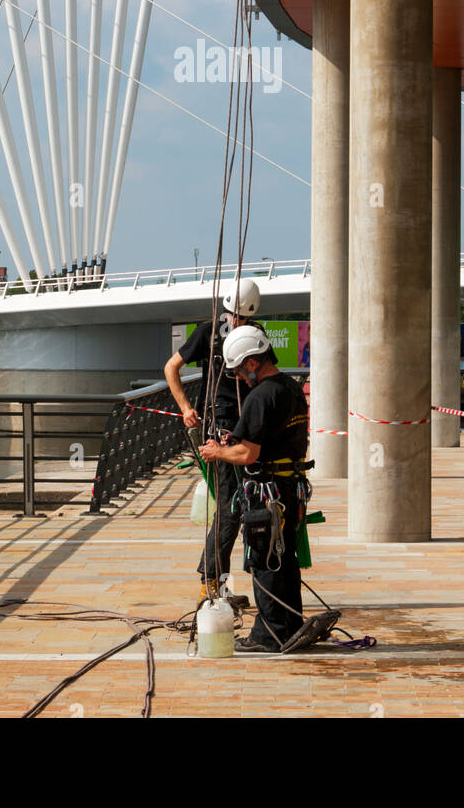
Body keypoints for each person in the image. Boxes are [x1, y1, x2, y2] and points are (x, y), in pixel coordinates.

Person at [200, 323, 310, 652]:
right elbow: (263, 437)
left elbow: (249, 453)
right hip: (289, 487)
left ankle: (269, 634)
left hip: (267, 491)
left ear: (251, 362)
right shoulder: (290, 388)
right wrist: (233, 439)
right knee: (284, 555)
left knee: (265, 560)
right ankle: (290, 624)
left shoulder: (261, 395)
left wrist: (217, 451)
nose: (238, 378)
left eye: (238, 371)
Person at [164, 278, 262, 600]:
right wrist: (185, 407)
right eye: (234, 316)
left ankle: (223, 584)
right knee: (230, 506)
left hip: (246, 425)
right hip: (217, 425)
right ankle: (213, 583)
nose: (237, 324)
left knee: (247, 503)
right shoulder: (208, 333)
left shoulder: (255, 336)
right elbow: (171, 368)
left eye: (243, 319)